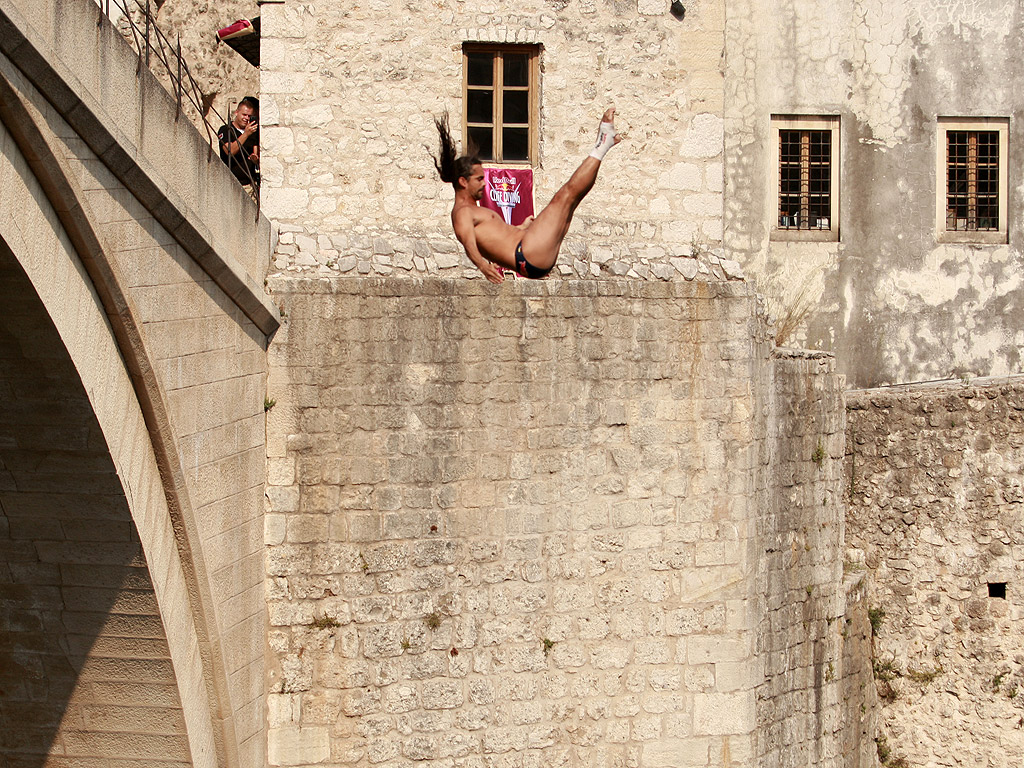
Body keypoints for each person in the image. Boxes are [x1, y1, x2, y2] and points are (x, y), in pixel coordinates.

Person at [433, 108, 621, 283]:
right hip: (528, 253)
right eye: (479, 179)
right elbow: (468, 241)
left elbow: (496, 238)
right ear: (463, 182)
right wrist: (483, 266)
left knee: (572, 200)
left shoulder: (474, 210)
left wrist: (520, 227)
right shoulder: (462, 212)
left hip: (529, 253)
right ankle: (603, 142)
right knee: (565, 195)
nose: (484, 183)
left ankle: (605, 143)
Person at [218, 96, 260, 188]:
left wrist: (255, 158)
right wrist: (246, 134)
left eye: (249, 116)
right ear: (237, 113)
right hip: (231, 183)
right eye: (244, 115)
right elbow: (230, 151)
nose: (246, 118)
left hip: (250, 184)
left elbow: (255, 153)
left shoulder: (253, 132)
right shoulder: (226, 130)